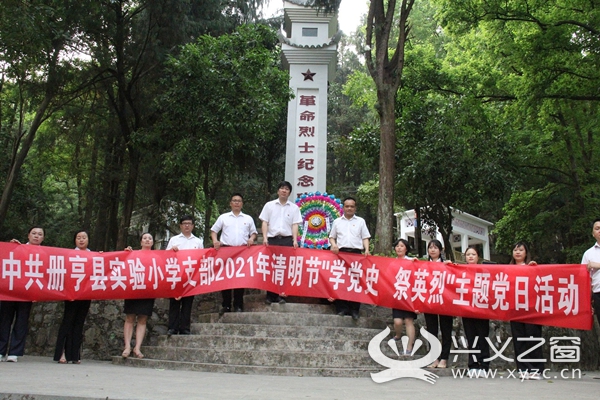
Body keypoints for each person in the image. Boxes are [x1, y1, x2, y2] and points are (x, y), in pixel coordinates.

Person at [0, 226, 44, 362]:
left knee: (21, 322)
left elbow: (45, 276)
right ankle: (1, 351)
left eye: (40, 234)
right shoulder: (17, 247)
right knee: (4, 321)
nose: (36, 236)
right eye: (34, 233)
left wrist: (38, 294)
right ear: (28, 235)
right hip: (10, 290)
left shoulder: (45, 253)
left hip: (28, 292)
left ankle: (14, 352)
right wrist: (11, 246)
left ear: (43, 238)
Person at [211, 193, 257, 314]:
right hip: (226, 250)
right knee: (225, 279)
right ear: (230, 203)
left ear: (242, 204)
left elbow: (254, 232)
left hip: (242, 252)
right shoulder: (223, 217)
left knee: (239, 279)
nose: (236, 203)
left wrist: (251, 239)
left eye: (239, 201)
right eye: (234, 200)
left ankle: (238, 305)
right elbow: (214, 231)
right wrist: (215, 241)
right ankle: (226, 305)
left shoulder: (248, 218)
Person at [259, 181, 301, 305]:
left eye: (287, 189)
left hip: (287, 240)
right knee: (270, 268)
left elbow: (295, 225)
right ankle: (269, 295)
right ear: (278, 191)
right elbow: (265, 222)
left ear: (289, 192)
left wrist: (295, 240)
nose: (284, 190)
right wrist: (265, 238)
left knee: (284, 268)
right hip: (272, 239)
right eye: (282, 188)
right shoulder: (269, 205)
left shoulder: (294, 208)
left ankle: (281, 295)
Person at [53, 230, 93, 364]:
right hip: (71, 293)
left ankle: (75, 355)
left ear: (88, 240)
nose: (81, 240)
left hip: (86, 294)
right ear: (75, 240)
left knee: (79, 323)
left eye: (84, 237)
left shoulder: (94, 256)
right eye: (78, 238)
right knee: (67, 322)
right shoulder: (68, 255)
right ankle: (62, 353)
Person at [329, 196, 371, 320]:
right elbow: (332, 237)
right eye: (347, 206)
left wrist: (367, 249)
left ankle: (354, 310)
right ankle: (342, 308)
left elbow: (365, 237)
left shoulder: (360, 221)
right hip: (341, 254)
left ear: (355, 208)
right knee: (341, 280)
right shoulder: (337, 221)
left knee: (355, 282)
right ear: (343, 208)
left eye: (352, 206)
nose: (349, 208)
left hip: (356, 254)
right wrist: (334, 245)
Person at [509, 241, 543, 380]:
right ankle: (522, 368)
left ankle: (536, 369)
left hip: (531, 310)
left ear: (526, 253)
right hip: (514, 309)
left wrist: (535, 269)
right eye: (515, 250)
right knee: (519, 339)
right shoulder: (507, 269)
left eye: (521, 250)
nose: (517, 252)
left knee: (532, 338)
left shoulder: (533, 267)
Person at [166, 215, 203, 335]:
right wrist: (172, 251)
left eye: (189, 223)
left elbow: (202, 258)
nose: (187, 225)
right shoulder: (174, 240)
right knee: (174, 303)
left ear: (193, 226)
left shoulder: (198, 241)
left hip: (191, 276)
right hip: (176, 275)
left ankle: (184, 327)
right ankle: (172, 327)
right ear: (180, 226)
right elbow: (165, 256)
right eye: (184, 223)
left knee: (188, 303)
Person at [122, 233, 156, 358]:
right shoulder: (132, 254)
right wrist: (126, 252)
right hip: (133, 289)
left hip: (148, 291)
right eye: (145, 238)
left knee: (142, 319)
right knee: (130, 317)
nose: (147, 240)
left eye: (150, 238)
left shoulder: (158, 256)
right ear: (141, 242)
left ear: (153, 242)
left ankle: (137, 347)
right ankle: (127, 346)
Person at [460, 246, 490, 376]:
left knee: (483, 337)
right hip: (467, 310)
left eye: (473, 254)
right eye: (468, 254)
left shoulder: (485, 271)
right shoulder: (460, 271)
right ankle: (473, 365)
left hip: (482, 310)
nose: (470, 256)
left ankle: (484, 365)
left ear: (478, 257)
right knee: (471, 338)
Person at [424, 239, 453, 369]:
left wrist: (451, 266)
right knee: (432, 331)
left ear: (440, 250)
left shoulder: (447, 265)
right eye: (430, 247)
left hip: (445, 303)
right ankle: (434, 358)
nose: (433, 250)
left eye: (436, 247)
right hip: (429, 303)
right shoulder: (423, 266)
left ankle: (444, 358)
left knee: (446, 330)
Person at [391, 238, 417, 355]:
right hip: (397, 296)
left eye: (402, 246)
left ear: (406, 248)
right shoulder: (392, 263)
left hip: (410, 296)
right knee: (397, 322)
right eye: (397, 246)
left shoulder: (412, 261)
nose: (399, 248)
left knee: (408, 320)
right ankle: (398, 335)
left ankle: (409, 347)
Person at [582, 218, 600, 328]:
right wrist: (587, 301)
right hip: (597, 294)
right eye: (597, 229)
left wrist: (597, 265)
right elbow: (584, 279)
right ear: (593, 233)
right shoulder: (588, 254)